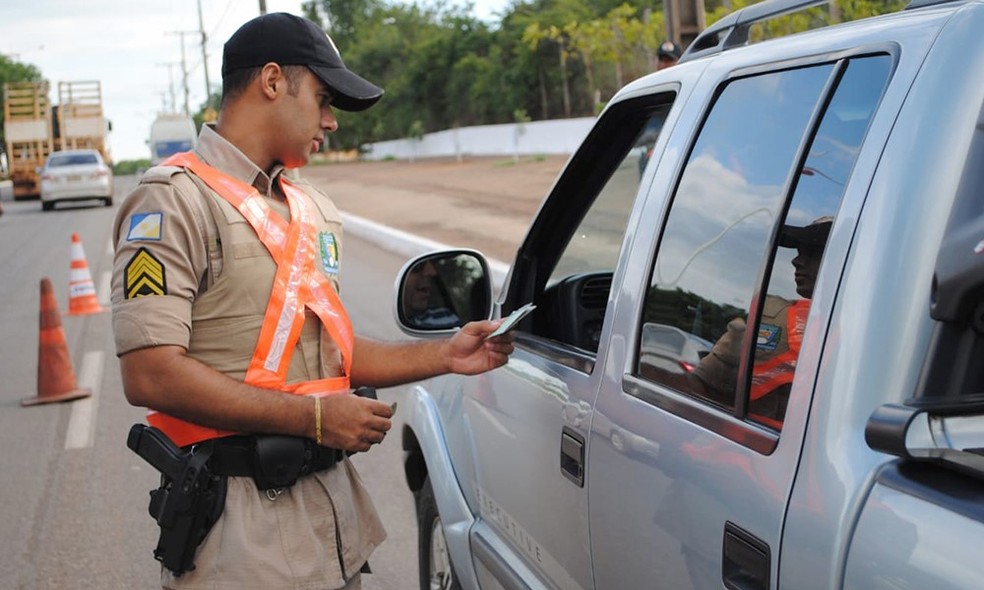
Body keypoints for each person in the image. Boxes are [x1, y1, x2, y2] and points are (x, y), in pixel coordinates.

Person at [110, 12, 514, 590]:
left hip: (329, 517)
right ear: (272, 82)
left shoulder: (312, 209)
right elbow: (149, 375)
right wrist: (316, 418)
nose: (331, 121)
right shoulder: (174, 203)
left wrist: (448, 355)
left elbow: (335, 352)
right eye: (324, 99)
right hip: (240, 533)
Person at [690, 216, 833, 426]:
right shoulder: (770, 317)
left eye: (812, 252)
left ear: (844, 263)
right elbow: (698, 385)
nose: (796, 261)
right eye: (799, 252)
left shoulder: (876, 342)